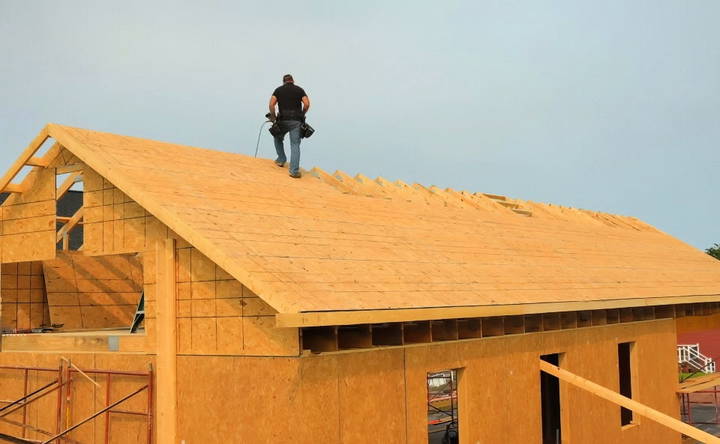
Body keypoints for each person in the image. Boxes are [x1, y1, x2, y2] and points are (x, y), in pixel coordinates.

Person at [268, 74, 310, 178]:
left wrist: (273, 117)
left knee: (277, 137)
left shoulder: (278, 90)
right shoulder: (300, 90)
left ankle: (281, 159)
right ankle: (294, 171)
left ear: (283, 81)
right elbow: (307, 104)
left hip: (283, 120)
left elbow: (271, 104)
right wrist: (302, 113)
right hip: (296, 121)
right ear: (293, 81)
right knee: (295, 145)